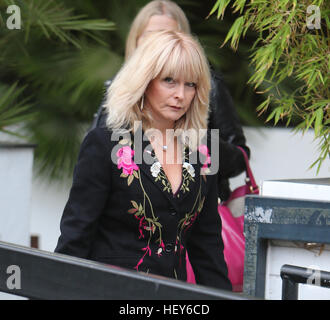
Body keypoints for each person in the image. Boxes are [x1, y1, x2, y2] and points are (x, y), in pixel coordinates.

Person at [55, 30, 231, 291]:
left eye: (190, 84)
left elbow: (208, 248)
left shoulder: (205, 152)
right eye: (169, 80)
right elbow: (76, 236)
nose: (180, 94)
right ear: (145, 81)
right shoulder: (105, 143)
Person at [91, 0, 250, 202]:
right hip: (132, 214)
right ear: (136, 40)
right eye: (151, 35)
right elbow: (98, 155)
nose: (180, 95)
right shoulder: (119, 89)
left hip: (196, 209)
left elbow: (239, 156)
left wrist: (198, 141)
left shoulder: (208, 86)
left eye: (167, 35)